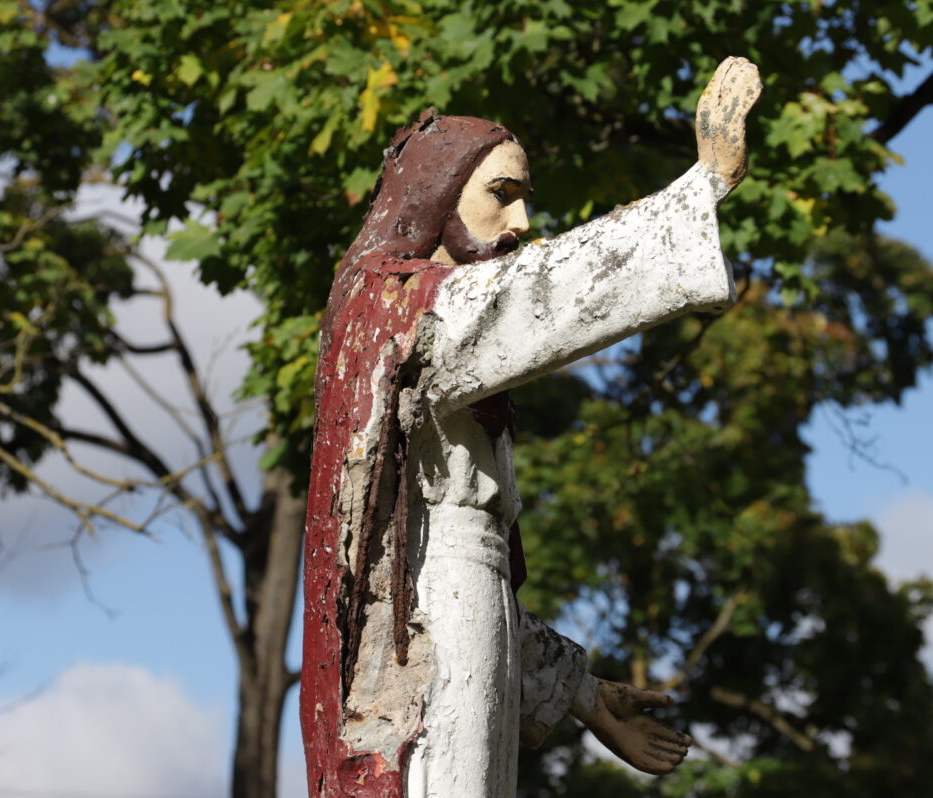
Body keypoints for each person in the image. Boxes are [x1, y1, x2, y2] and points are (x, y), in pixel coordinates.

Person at [301, 57, 762, 797]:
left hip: (468, 625)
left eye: (525, 200)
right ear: (436, 193)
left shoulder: (443, 343)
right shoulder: (390, 307)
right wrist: (699, 188)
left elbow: (472, 565)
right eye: (501, 195)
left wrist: (585, 694)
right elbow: (534, 295)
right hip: (433, 642)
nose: (520, 224)